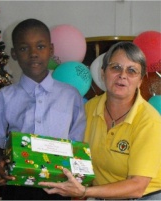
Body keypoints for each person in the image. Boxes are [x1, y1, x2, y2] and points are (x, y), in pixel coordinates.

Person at [39, 41, 161, 200]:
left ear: (140, 81)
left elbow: (137, 186)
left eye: (132, 71)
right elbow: (72, 154)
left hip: (145, 197)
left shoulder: (149, 121)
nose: (122, 75)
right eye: (116, 67)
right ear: (103, 73)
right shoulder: (89, 109)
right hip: (101, 195)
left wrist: (84, 192)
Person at [0, 18, 86, 200]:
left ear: (51, 50)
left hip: (59, 186)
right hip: (17, 186)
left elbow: (77, 143)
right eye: (24, 48)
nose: (33, 54)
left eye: (40, 46)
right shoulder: (3, 98)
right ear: (14, 54)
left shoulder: (71, 96)